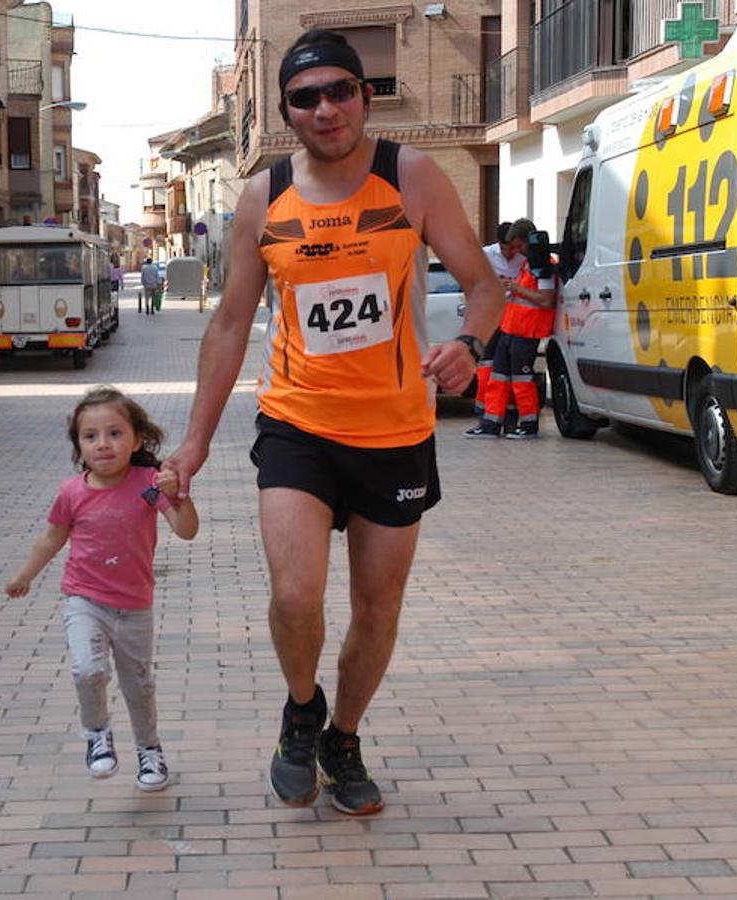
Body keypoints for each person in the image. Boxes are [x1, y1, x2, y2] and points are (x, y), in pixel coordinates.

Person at [161, 28, 502, 816]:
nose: (324, 109)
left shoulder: (410, 177)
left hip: (395, 431)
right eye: (305, 97)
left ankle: (342, 736)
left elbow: (483, 285)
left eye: (339, 91)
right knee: (294, 596)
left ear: (364, 96)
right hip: (296, 423)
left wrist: (468, 346)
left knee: (377, 610)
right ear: (284, 112)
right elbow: (226, 325)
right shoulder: (263, 197)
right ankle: (300, 708)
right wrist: (195, 441)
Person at [5, 387, 199, 791]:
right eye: (90, 436)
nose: (103, 444)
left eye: (114, 433)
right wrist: (25, 574)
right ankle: (96, 735)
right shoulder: (72, 493)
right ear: (79, 446)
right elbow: (51, 539)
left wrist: (179, 497)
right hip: (85, 600)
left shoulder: (148, 484)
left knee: (138, 683)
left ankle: (150, 750)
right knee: (87, 669)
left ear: (136, 440)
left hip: (134, 606)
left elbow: (185, 531)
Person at [466, 219, 559, 439]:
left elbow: (546, 300)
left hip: (527, 331)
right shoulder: (530, 263)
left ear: (528, 241)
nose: (517, 252)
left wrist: (514, 287)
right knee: (498, 377)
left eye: (519, 246)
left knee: (521, 380)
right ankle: (490, 424)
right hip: (512, 328)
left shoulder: (541, 265)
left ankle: (528, 425)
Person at [466, 218, 530, 435]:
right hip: (492, 317)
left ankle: (509, 419)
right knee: (488, 369)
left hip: (514, 320)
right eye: (506, 248)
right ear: (498, 245)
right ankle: (487, 416)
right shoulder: (485, 255)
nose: (510, 253)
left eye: (513, 248)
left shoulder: (524, 258)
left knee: (508, 372)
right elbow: (472, 281)